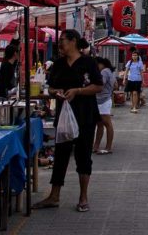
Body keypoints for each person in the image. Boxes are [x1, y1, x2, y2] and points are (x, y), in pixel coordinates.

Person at [33, 30, 103, 213]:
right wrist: (55, 92)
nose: (60, 44)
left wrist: (78, 91)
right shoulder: (58, 64)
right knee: (61, 155)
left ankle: (83, 197)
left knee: (83, 155)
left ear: (73, 41)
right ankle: (54, 196)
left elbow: (98, 85)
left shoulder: (88, 62)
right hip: (64, 116)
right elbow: (50, 88)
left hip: (85, 116)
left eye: (62, 40)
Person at [93, 57, 116, 155]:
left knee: (107, 124)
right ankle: (96, 146)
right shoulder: (109, 71)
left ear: (102, 64)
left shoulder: (104, 72)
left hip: (103, 100)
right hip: (102, 100)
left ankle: (108, 147)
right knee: (100, 124)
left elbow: (100, 84)